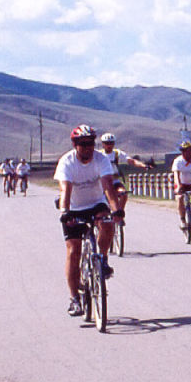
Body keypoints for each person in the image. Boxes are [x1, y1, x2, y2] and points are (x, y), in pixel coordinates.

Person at [55, 125, 123, 316]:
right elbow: (65, 189)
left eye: (91, 144)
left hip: (96, 203)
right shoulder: (67, 162)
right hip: (74, 207)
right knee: (73, 250)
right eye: (83, 144)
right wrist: (65, 212)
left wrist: (117, 210)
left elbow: (108, 187)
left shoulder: (101, 160)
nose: (88, 148)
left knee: (108, 223)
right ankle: (74, 299)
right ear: (75, 144)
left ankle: (102, 260)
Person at [99, 133, 151, 219]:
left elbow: (131, 161)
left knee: (123, 194)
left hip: (114, 180)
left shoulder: (117, 153)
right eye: (107, 143)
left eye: (111, 143)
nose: (109, 145)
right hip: (101, 182)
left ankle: (119, 214)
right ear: (103, 144)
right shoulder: (98, 154)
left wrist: (144, 166)